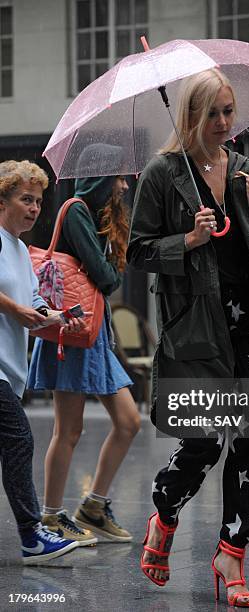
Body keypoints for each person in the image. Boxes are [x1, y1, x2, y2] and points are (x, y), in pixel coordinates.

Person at [127, 69, 249, 608]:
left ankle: (232, 551)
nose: (224, 123)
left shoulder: (247, 170)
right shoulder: (162, 174)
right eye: (213, 114)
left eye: (229, 111)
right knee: (203, 439)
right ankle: (165, 506)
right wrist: (189, 238)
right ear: (191, 116)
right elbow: (138, 252)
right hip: (196, 328)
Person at [28, 147, 141, 545]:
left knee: (129, 422)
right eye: (118, 177)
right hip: (72, 334)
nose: (124, 185)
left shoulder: (95, 218)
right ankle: (52, 516)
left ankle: (93, 507)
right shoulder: (76, 211)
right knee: (68, 430)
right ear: (99, 176)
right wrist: (108, 259)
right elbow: (107, 279)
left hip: (93, 335)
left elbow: (108, 273)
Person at [0, 159, 79, 564]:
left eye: (38, 201)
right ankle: (32, 536)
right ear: (2, 201)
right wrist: (15, 309)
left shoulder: (18, 249)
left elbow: (33, 303)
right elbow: (16, 306)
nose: (34, 208)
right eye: (25, 199)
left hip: (10, 370)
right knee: (19, 440)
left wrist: (57, 315)